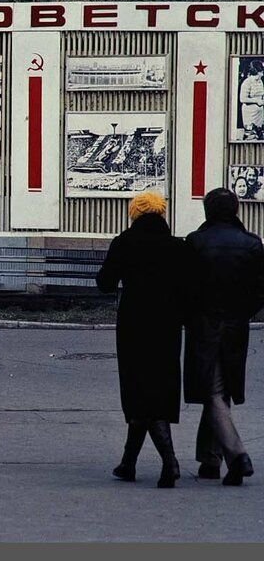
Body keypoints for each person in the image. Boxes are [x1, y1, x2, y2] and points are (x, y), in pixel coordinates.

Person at [95, 192, 186, 488]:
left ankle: (169, 461)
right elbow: (192, 288)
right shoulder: (177, 247)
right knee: (159, 388)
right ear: (162, 214)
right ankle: (128, 463)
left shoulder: (124, 243)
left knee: (138, 392)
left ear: (134, 213)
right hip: (168, 326)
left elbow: (106, 284)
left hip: (134, 325)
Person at [184, 187, 264, 486]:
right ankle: (209, 459)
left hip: (204, 326)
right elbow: (259, 291)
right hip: (235, 327)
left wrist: (190, 315)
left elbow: (186, 289)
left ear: (208, 210)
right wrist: (243, 312)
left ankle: (238, 455)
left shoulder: (196, 242)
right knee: (220, 390)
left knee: (212, 391)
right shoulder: (252, 244)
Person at [238, 60, 264, 140]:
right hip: (250, 113)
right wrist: (256, 101)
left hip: (259, 113)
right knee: (251, 135)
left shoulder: (260, 81)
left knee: (260, 135)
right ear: (258, 71)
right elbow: (242, 99)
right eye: (261, 71)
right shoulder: (247, 82)